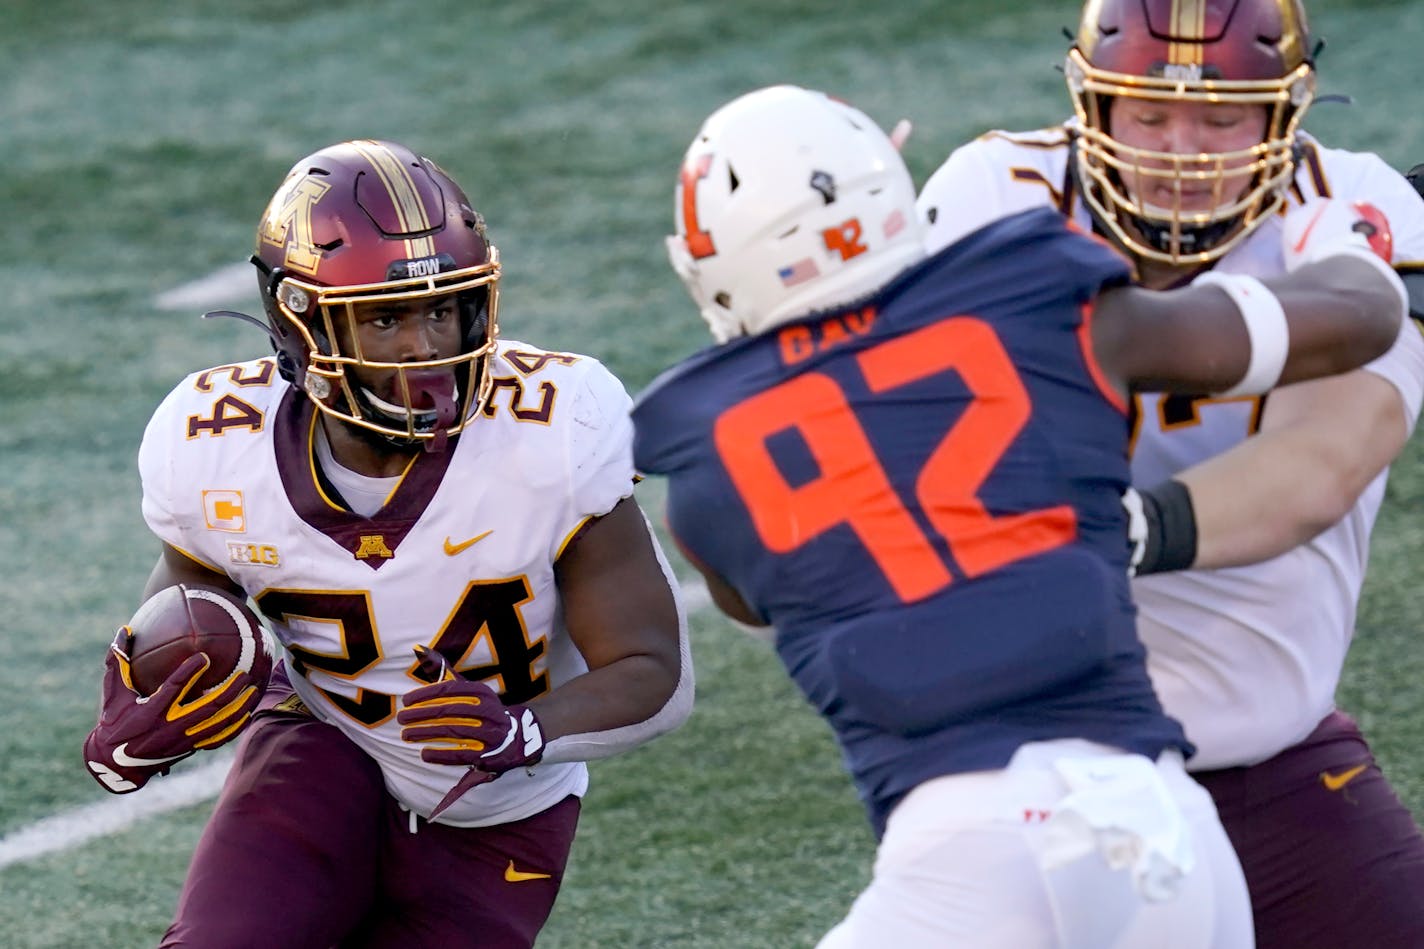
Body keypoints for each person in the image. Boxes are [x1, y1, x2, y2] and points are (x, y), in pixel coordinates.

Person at [633, 84, 1406, 948]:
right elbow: (1360, 317)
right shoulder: (1044, 296)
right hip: (1169, 827)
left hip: (979, 847)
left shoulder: (705, 478)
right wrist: (1362, 239)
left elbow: (755, 592)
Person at [81, 138, 693, 949]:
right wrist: (140, 709)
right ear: (300, 321)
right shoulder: (214, 444)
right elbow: (193, 614)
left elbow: (654, 671)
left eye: (441, 309)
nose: (423, 346)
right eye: (385, 317)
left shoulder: (555, 428)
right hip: (321, 742)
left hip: (494, 808)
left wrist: (524, 729)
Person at [916, 2, 1424, 946]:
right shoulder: (997, 190)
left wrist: (1108, 533)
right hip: (1035, 781)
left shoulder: (1355, 207)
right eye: (1148, 116)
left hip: (1269, 762)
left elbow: (1323, 463)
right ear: (1091, 103)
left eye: (1221, 118)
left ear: (1285, 113)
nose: (1179, 149)